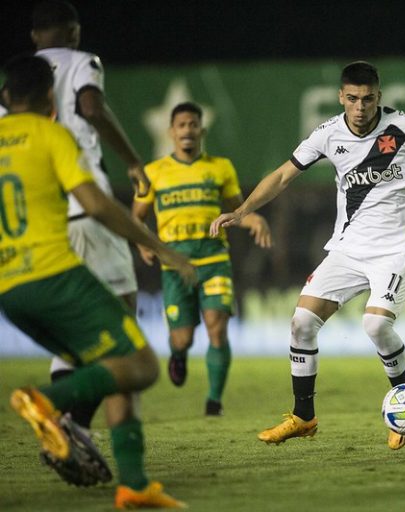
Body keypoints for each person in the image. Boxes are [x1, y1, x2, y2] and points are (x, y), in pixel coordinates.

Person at [210, 60, 405, 450]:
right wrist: (243, 210)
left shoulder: (404, 126)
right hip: (348, 248)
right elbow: (283, 175)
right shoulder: (328, 135)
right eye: (352, 99)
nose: (361, 107)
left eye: (368, 99)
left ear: (379, 97)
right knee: (301, 322)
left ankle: (402, 407)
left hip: (398, 247)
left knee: (376, 326)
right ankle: (304, 416)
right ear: (341, 98)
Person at [1, 55, 191, 508]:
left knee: (113, 362)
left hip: (10, 291)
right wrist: (162, 249)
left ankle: (134, 485)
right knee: (142, 364)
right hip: (56, 276)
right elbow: (97, 204)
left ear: (7, 98)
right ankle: (46, 401)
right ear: (50, 99)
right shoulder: (52, 134)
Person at [28, 0, 150, 445]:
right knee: (124, 324)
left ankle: (65, 422)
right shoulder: (82, 63)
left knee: (71, 328)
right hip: (87, 210)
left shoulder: (18, 82)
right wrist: (133, 162)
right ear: (74, 32)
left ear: (33, 35)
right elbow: (92, 106)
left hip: (47, 220)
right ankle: (69, 419)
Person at [132, 102, 272, 416]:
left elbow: (237, 212)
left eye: (193, 125)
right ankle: (178, 355)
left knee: (217, 328)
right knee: (181, 338)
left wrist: (254, 219)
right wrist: (141, 241)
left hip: (214, 261)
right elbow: (137, 216)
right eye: (181, 125)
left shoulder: (220, 167)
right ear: (171, 132)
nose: (187, 130)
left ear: (201, 131)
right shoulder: (153, 173)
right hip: (174, 266)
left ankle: (213, 402)